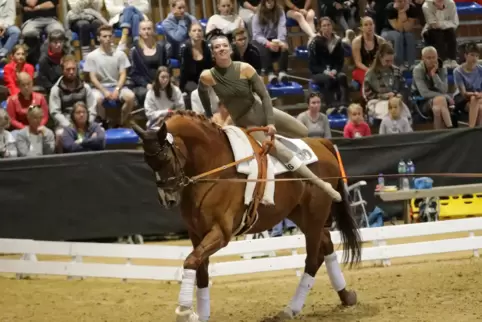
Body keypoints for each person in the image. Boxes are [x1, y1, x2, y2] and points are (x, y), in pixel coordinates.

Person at [197, 35, 342, 201]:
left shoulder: (245, 68)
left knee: (303, 130)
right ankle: (322, 185)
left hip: (262, 110)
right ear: (213, 53)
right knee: (280, 150)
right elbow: (202, 92)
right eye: (217, 47)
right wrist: (208, 114)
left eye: (224, 45)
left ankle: (290, 162)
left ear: (230, 49)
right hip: (247, 122)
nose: (221, 49)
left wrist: (271, 122)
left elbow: (265, 96)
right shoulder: (207, 76)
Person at [83, 25, 135, 127]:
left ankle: (120, 122)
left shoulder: (120, 54)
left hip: (116, 86)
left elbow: (123, 74)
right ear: (98, 38)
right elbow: (92, 77)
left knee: (131, 97)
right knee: (97, 99)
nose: (107, 39)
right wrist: (104, 91)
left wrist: (117, 89)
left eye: (109, 36)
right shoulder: (91, 56)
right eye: (104, 36)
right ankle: (103, 122)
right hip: (99, 88)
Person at [50, 55, 97, 149]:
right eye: (68, 69)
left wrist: (87, 123)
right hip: (66, 123)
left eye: (73, 69)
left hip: (85, 121)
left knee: (99, 133)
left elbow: (92, 108)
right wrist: (70, 126)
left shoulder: (85, 87)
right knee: (59, 135)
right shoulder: (56, 89)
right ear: (62, 70)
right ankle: (61, 160)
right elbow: (55, 112)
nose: (71, 72)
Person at [364, 42, 411, 123]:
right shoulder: (370, 74)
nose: (389, 63)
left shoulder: (396, 70)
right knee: (388, 113)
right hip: (377, 102)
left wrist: (400, 95)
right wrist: (382, 96)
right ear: (380, 57)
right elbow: (367, 95)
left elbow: (403, 87)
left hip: (395, 101)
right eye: (387, 61)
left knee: (404, 114)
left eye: (391, 61)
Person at [309, 17, 349, 109]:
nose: (327, 27)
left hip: (333, 71)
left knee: (342, 77)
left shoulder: (337, 41)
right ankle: (331, 105)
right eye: (324, 26)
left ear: (332, 26)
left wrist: (335, 70)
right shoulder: (315, 42)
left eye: (328, 25)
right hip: (319, 72)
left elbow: (340, 61)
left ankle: (344, 104)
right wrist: (325, 72)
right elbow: (312, 65)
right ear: (320, 28)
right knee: (328, 79)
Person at [129, 20, 169, 106]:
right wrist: (147, 85)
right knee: (150, 94)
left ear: (153, 31)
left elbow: (166, 67)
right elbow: (133, 73)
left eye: (149, 29)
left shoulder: (161, 47)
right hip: (143, 85)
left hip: (161, 82)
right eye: (143, 29)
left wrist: (163, 82)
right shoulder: (135, 50)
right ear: (139, 31)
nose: (146, 31)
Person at [412, 46, 453, 129]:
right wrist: (443, 96)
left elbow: (444, 89)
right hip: (421, 101)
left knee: (437, 110)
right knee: (441, 99)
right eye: (428, 58)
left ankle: (439, 136)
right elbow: (424, 93)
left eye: (434, 57)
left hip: (440, 101)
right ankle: (450, 129)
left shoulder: (442, 68)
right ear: (423, 59)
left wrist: (434, 75)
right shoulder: (417, 70)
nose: (432, 60)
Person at [252, 0, 289, 84]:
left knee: (284, 46)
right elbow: (257, 35)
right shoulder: (257, 14)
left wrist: (280, 42)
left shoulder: (280, 11)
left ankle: (282, 72)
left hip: (275, 39)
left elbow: (281, 28)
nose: (270, 2)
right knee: (264, 48)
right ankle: (270, 73)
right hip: (261, 40)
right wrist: (268, 44)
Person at [19, 0, 65, 65]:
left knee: (58, 31)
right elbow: (32, 2)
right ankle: (33, 63)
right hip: (32, 20)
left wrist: (37, 7)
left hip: (51, 19)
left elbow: (51, 4)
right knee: (29, 32)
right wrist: (41, 6)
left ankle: (54, 61)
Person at [179, 22, 212, 109]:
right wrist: (181, 88)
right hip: (190, 80)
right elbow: (183, 70)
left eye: (199, 30)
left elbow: (210, 67)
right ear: (189, 33)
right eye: (194, 30)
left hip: (205, 78)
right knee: (196, 92)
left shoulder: (207, 47)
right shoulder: (185, 48)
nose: (197, 33)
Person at [453, 42, 482, 128]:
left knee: (478, 105)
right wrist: (475, 94)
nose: (475, 58)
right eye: (472, 55)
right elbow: (464, 93)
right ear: (466, 55)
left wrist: (479, 94)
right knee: (476, 102)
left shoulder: (481, 70)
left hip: (479, 97)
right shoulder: (458, 71)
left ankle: (474, 130)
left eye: (477, 56)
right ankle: (472, 128)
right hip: (463, 99)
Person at [422, 0, 458, 68]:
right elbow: (433, 24)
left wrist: (441, 24)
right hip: (430, 30)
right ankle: (443, 60)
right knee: (438, 34)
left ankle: (452, 59)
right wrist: (440, 9)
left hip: (447, 29)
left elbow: (455, 22)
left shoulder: (451, 3)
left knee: (451, 32)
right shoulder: (426, 5)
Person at [381, 0, 417, 68]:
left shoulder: (412, 8)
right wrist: (400, 12)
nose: (403, 3)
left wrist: (402, 12)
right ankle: (399, 65)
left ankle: (412, 64)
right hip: (387, 31)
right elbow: (399, 28)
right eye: (400, 1)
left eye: (404, 1)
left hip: (404, 31)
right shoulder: (390, 8)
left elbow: (407, 28)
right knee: (398, 36)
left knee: (410, 36)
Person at [351, 17, 385, 88]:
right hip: (362, 69)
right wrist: (369, 70)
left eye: (371, 24)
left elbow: (384, 58)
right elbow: (358, 62)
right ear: (361, 28)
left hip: (377, 68)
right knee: (369, 79)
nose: (369, 27)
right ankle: (368, 98)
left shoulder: (380, 41)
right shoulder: (357, 41)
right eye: (366, 25)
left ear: (374, 25)